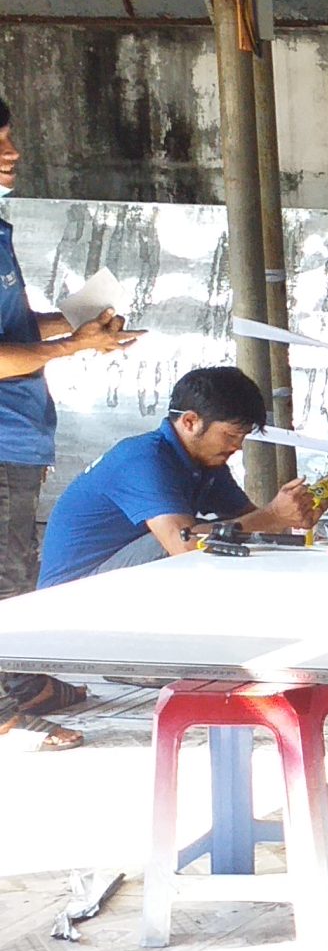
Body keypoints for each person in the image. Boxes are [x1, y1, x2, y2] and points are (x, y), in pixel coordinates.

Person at [0, 93, 147, 749]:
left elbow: (15, 329)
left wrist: (82, 325)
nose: (13, 153)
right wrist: (74, 346)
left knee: (15, 572)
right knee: (4, 579)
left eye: (10, 137)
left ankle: (22, 684)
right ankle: (6, 713)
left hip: (20, 435)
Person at [38, 366, 313, 589]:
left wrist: (293, 514)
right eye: (230, 435)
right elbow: (184, 544)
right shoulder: (143, 459)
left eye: (242, 437)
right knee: (191, 537)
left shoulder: (206, 462)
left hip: (111, 575)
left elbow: (252, 522)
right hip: (69, 593)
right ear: (190, 422)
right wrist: (274, 515)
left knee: (218, 534)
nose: (238, 446)